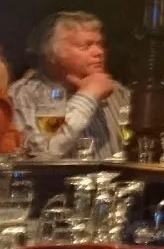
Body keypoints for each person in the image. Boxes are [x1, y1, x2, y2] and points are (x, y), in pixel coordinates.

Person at [9, 12, 128, 157]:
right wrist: (88, 96)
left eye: (100, 44)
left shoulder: (117, 91)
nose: (99, 52)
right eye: (85, 46)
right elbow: (43, 155)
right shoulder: (25, 94)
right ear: (51, 54)